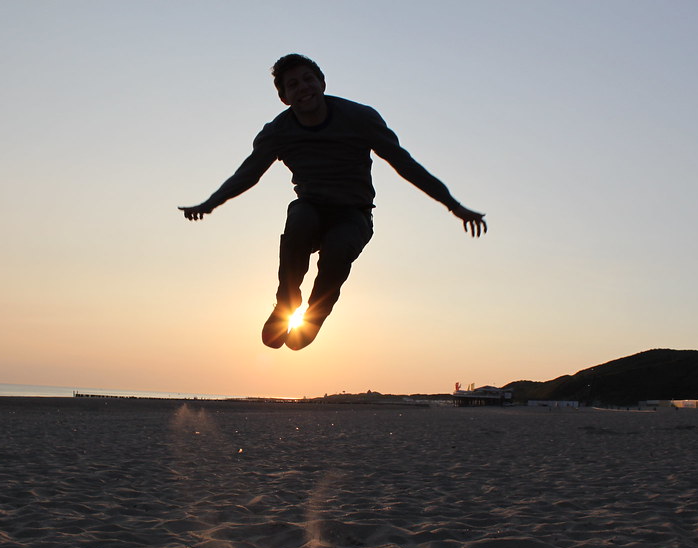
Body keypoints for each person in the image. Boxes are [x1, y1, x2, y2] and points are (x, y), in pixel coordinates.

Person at [180, 54, 486, 350]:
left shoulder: (360, 118)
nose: (303, 88)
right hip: (311, 207)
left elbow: (404, 163)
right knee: (300, 219)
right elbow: (248, 173)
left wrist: (453, 205)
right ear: (285, 97)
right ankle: (286, 301)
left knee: (339, 248)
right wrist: (211, 202)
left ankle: (316, 314)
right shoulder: (278, 132)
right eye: (293, 85)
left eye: (308, 79)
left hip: (354, 214)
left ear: (322, 82)